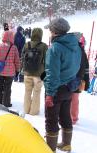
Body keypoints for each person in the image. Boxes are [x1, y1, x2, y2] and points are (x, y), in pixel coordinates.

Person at [44, 18, 81, 152]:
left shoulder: (55, 48)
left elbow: (52, 73)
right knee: (65, 115)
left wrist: (49, 93)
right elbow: (76, 66)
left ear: (54, 32)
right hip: (69, 87)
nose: (49, 32)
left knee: (51, 119)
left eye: (50, 30)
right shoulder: (75, 45)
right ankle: (66, 144)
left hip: (56, 88)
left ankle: (50, 149)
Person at [21, 28, 48, 115]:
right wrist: (45, 74)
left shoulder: (26, 44)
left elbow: (22, 58)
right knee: (37, 92)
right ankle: (34, 111)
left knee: (27, 91)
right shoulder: (44, 46)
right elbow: (47, 60)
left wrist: (23, 70)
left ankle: (26, 109)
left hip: (27, 73)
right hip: (39, 74)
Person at [0, 31, 20, 107]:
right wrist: (17, 70)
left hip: (0, 71)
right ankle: (6, 103)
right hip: (10, 72)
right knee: (7, 88)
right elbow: (17, 60)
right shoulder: (14, 48)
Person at [70, 33, 89, 124]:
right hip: (78, 79)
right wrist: (86, 81)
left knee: (66, 98)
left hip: (67, 78)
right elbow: (86, 68)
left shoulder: (68, 49)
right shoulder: (82, 52)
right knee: (75, 99)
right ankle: (73, 117)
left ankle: (65, 116)